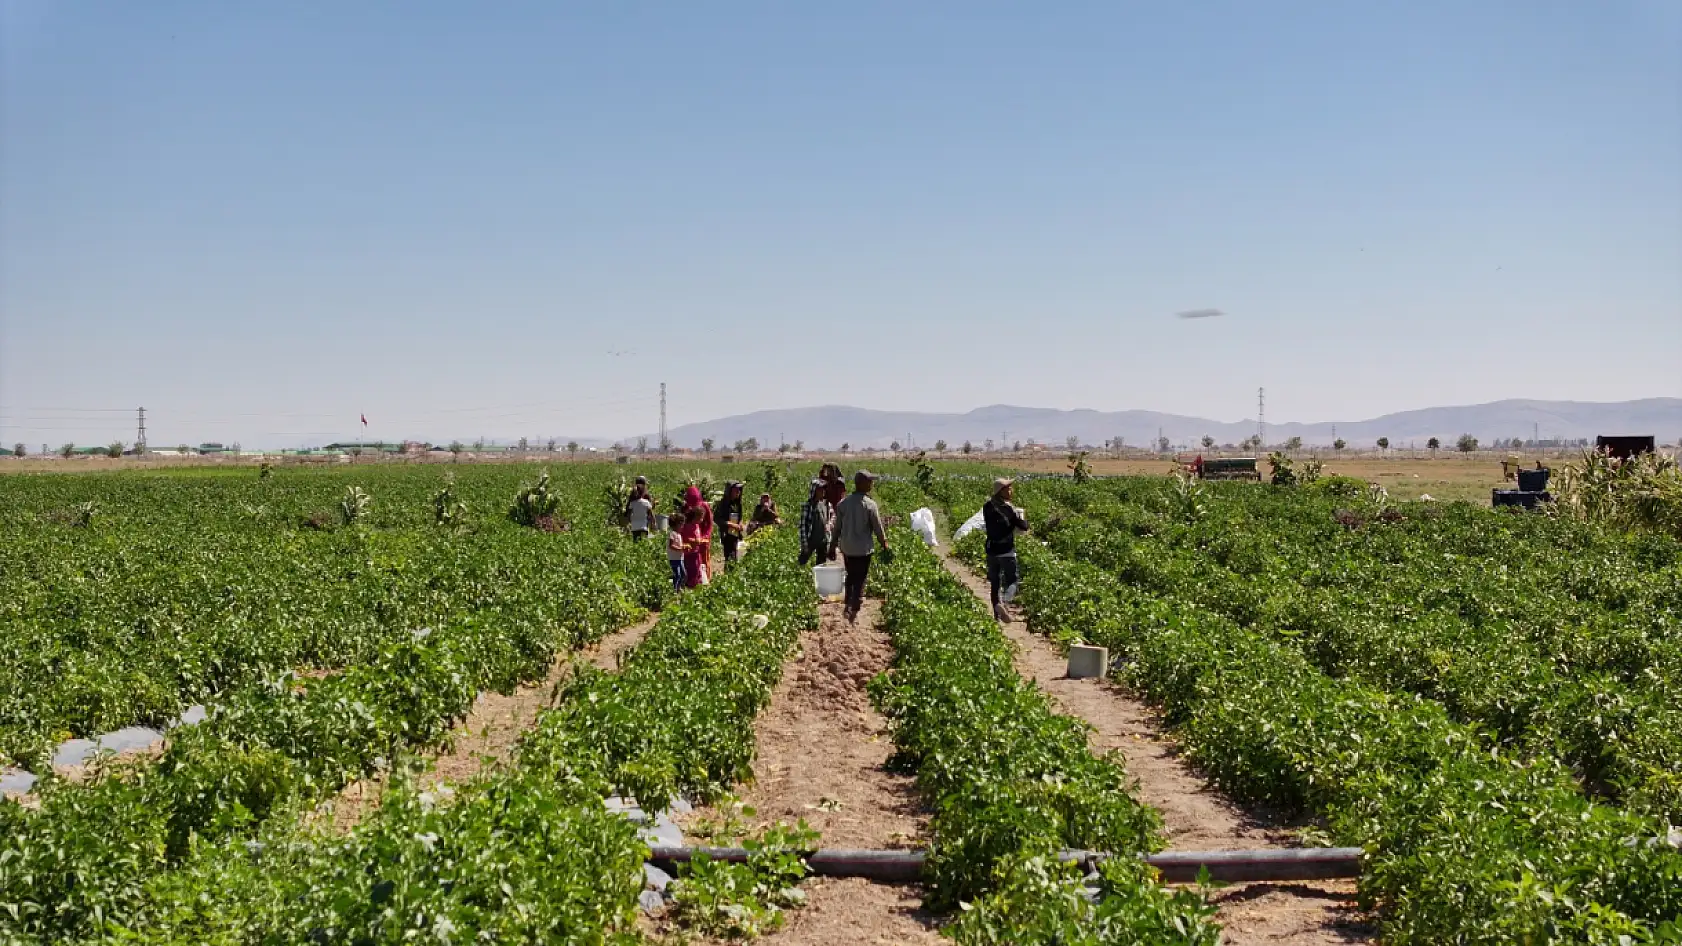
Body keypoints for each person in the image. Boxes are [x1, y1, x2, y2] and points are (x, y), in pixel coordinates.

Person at [829, 470, 890, 624]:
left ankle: (849, 601)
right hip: (863, 549)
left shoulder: (843, 504)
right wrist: (884, 544)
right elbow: (878, 528)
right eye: (869, 481)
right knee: (861, 576)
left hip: (848, 547)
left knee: (850, 574)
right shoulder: (870, 505)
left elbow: (836, 528)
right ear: (862, 484)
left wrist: (832, 545)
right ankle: (855, 602)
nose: (872, 484)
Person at [982, 478, 1031, 622]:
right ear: (1001, 492)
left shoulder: (987, 506)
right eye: (1008, 488)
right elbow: (1023, 526)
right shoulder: (1008, 509)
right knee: (1013, 581)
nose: (1011, 491)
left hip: (991, 550)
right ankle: (1004, 601)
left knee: (995, 583)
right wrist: (1021, 517)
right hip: (1006, 551)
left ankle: (997, 611)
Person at [682, 485, 713, 587]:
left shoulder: (704, 506)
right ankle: (693, 581)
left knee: (704, 560)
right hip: (692, 540)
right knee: (693, 562)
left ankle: (706, 581)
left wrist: (705, 536)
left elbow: (709, 524)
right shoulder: (686, 508)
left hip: (702, 538)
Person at [797, 479, 832, 566]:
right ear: (814, 491)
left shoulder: (825, 504)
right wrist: (804, 544)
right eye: (820, 490)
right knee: (802, 563)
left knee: (821, 566)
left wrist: (829, 525)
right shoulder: (808, 506)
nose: (823, 492)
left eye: (824, 489)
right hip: (810, 540)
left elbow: (831, 517)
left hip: (822, 540)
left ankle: (817, 579)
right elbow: (803, 526)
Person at [716, 481, 746, 565]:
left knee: (734, 554)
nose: (738, 492)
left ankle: (732, 573)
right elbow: (718, 519)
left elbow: (740, 517)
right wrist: (732, 525)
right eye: (736, 490)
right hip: (727, 533)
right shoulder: (723, 504)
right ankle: (729, 574)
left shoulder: (738, 504)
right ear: (730, 491)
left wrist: (740, 524)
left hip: (735, 532)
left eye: (739, 490)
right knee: (729, 556)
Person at [666, 509, 690, 590]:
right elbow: (671, 546)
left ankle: (679, 587)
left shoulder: (679, 534)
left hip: (680, 558)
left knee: (684, 574)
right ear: (676, 524)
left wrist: (684, 546)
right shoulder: (672, 534)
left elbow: (678, 545)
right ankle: (675, 589)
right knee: (678, 574)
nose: (682, 527)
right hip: (674, 558)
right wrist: (681, 548)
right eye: (681, 525)